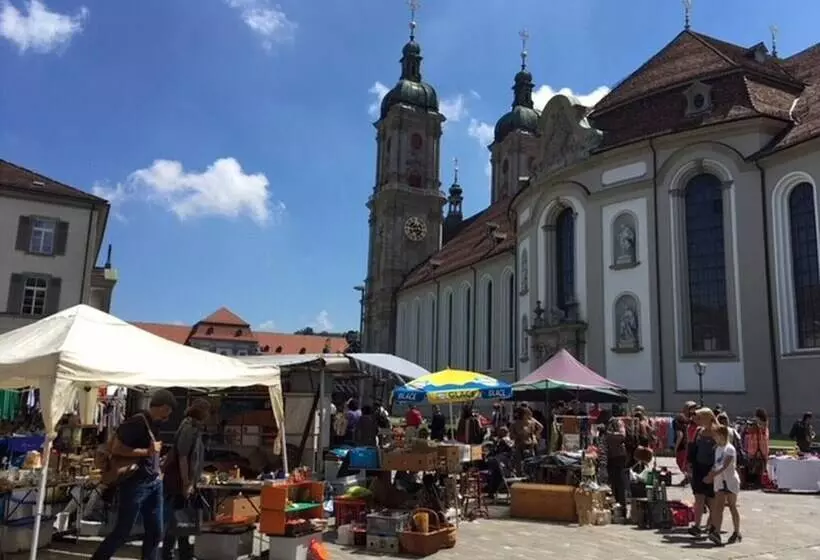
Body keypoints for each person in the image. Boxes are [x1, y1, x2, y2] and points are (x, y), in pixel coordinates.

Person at [91, 390, 177, 560]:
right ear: (163, 408)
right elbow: (116, 448)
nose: (168, 417)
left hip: (153, 482)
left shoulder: (154, 424)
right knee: (123, 531)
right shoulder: (137, 423)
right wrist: (147, 452)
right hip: (135, 483)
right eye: (168, 412)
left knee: (155, 531)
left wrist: (157, 469)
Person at [162, 398, 210, 560]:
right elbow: (183, 456)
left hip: (185, 480)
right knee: (178, 517)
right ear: (201, 412)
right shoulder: (189, 428)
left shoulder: (193, 427)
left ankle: (183, 552)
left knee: (183, 518)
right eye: (207, 411)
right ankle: (168, 553)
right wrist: (186, 482)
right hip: (179, 482)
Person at [705, 424, 742, 545]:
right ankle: (716, 532)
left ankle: (737, 532)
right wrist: (710, 474)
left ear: (722, 435)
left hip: (730, 481)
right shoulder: (717, 448)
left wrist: (712, 475)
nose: (714, 437)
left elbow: (725, 465)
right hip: (720, 482)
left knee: (732, 506)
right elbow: (716, 465)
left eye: (715, 435)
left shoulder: (729, 448)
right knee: (718, 507)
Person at [687, 408, 718, 538]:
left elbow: (721, 453)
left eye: (699, 418)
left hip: (712, 469)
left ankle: (712, 525)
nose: (697, 421)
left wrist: (714, 472)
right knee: (698, 498)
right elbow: (693, 448)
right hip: (699, 468)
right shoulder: (699, 431)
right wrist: (690, 464)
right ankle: (697, 525)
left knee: (712, 500)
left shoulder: (717, 432)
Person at [605, 417, 628, 513]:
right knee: (613, 484)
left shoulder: (618, 423)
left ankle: (622, 508)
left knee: (620, 483)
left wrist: (609, 435)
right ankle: (615, 508)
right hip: (611, 457)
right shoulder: (608, 425)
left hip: (619, 457)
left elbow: (622, 436)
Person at [674, 401, 696, 485]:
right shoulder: (694, 420)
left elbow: (680, 435)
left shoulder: (679, 419)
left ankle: (689, 478)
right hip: (692, 444)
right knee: (688, 463)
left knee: (682, 462)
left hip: (683, 445)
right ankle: (688, 478)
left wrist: (675, 448)